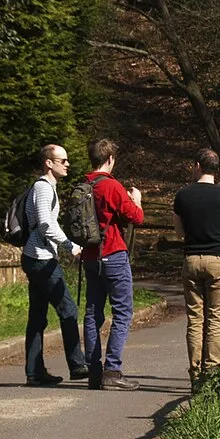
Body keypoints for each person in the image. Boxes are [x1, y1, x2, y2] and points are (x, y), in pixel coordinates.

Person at [171, 148, 220, 386]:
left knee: (195, 320)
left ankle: (195, 375)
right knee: (216, 321)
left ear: (197, 166)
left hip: (192, 260)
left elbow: (179, 231)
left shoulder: (183, 196)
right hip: (218, 261)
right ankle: (211, 377)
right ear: (215, 169)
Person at [20, 143, 89, 387]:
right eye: (63, 160)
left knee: (38, 316)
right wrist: (70, 245)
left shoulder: (47, 187)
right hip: (40, 259)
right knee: (68, 309)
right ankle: (78, 365)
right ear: (49, 163)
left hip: (37, 256)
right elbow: (45, 224)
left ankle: (35, 372)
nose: (67, 164)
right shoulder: (43, 188)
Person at [82, 137, 145, 390]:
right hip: (113, 253)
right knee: (122, 312)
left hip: (89, 255)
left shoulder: (83, 184)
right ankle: (113, 370)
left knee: (92, 313)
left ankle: (94, 372)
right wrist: (136, 199)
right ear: (110, 159)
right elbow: (136, 217)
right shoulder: (111, 186)